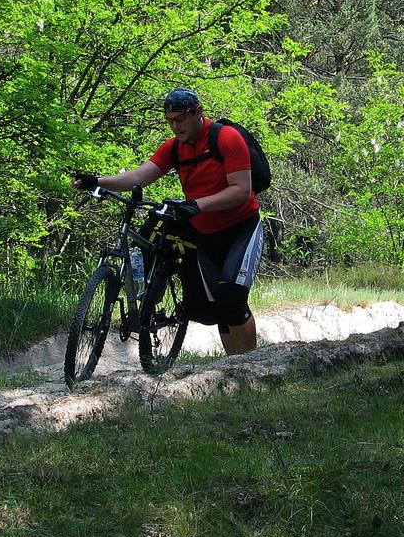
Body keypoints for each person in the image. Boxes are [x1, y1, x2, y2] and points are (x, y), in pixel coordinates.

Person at [70, 88, 263, 355]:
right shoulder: (174, 148)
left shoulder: (226, 138)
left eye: (180, 119)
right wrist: (96, 181)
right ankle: (234, 367)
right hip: (206, 235)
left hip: (241, 229)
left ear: (197, 112)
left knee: (232, 296)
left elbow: (241, 190)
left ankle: (254, 363)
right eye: (170, 121)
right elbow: (138, 177)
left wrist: (198, 204)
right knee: (221, 305)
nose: (175, 126)